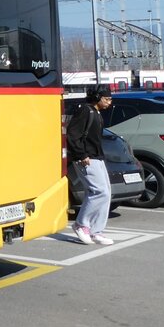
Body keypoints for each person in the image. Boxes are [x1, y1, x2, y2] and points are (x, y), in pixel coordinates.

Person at [66, 86, 114, 245]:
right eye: (106, 99)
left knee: (106, 193)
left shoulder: (97, 112)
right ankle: (81, 224)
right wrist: (81, 154)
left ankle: (96, 231)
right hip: (86, 158)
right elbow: (73, 134)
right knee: (99, 191)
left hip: (97, 157)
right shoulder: (85, 110)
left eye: (110, 99)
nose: (109, 102)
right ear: (98, 97)